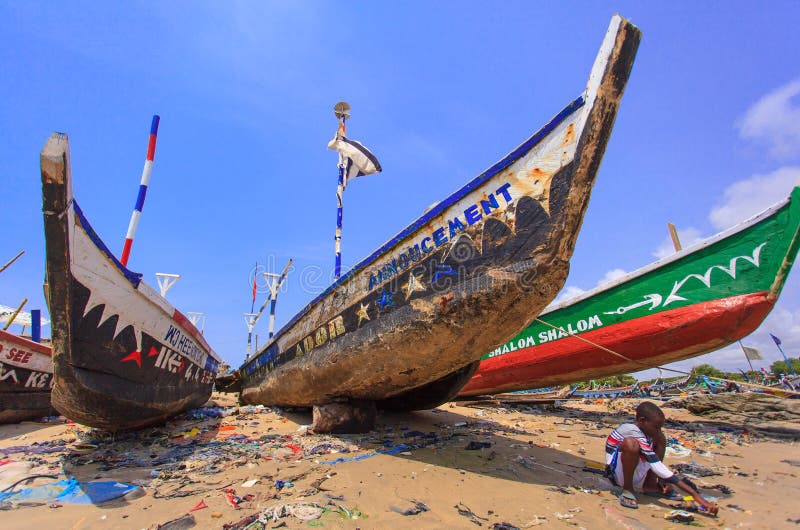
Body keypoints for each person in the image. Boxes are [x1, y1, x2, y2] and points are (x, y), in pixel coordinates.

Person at [605, 401, 718, 514]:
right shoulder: (629, 430)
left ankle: (651, 485)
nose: (658, 431)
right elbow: (656, 465)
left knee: (660, 438)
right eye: (656, 427)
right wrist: (694, 495)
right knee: (631, 444)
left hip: (635, 472)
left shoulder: (647, 432)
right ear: (642, 421)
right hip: (618, 474)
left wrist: (662, 480)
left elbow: (652, 460)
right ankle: (628, 489)